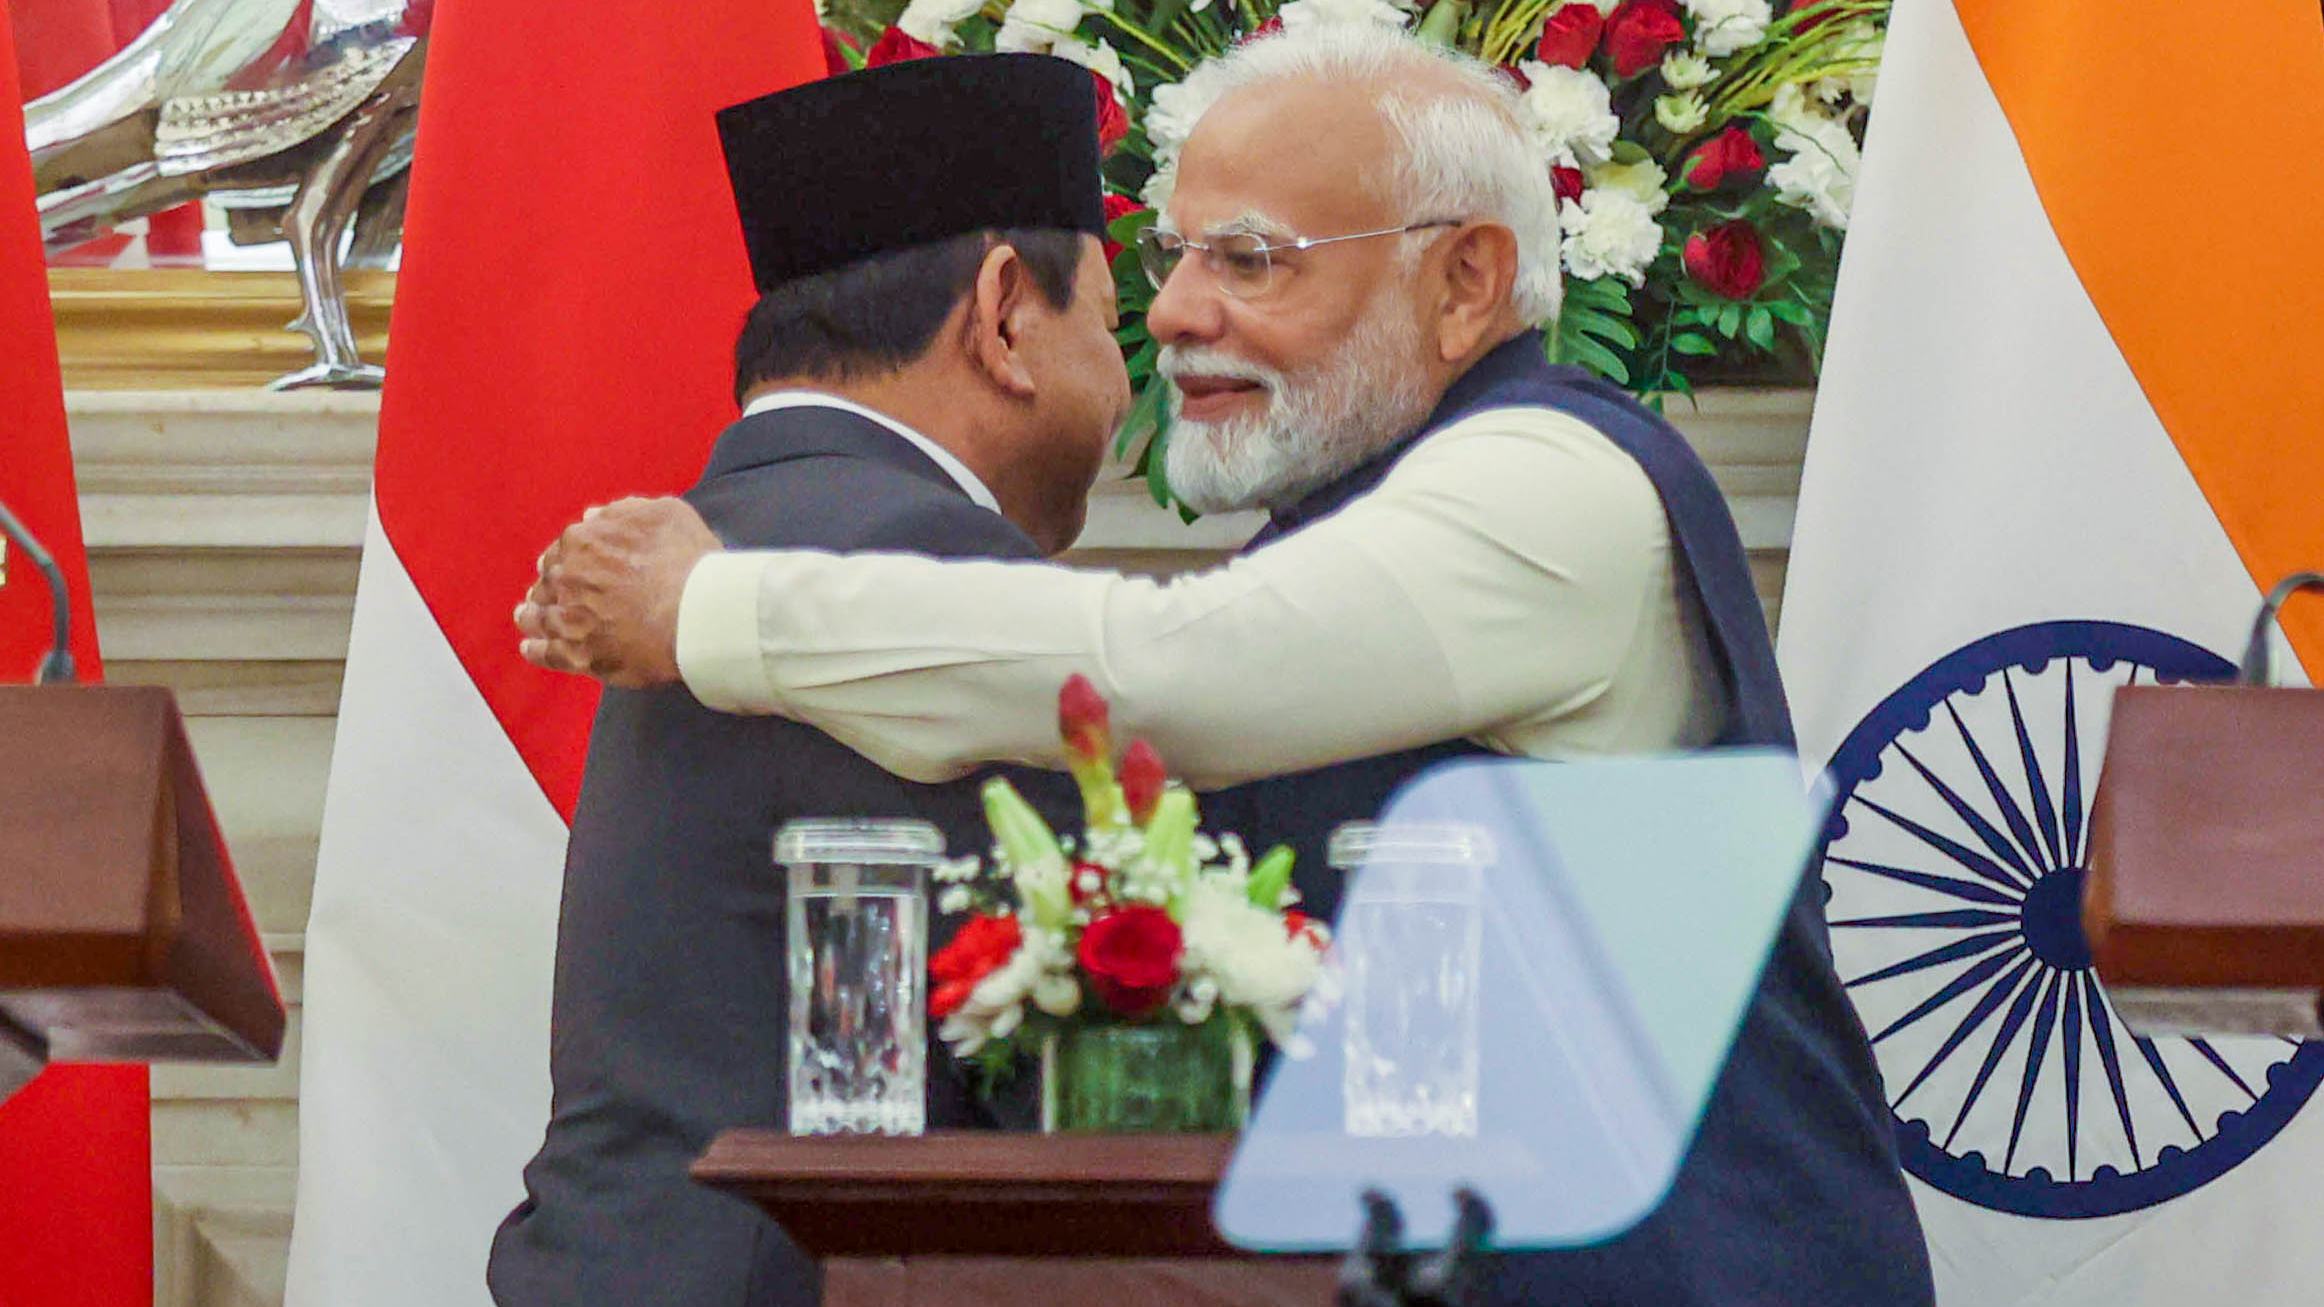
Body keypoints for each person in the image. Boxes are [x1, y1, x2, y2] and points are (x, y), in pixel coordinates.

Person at [518, 26, 1935, 1305]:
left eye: (1250, 259)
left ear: (1466, 281)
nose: (1177, 314)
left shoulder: (1552, 476)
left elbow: (1168, 675)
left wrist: (712, 605)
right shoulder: (1355, 533)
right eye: (1172, 259)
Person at [485, 54, 1127, 1307]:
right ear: (1003, 313)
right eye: (1103, 323)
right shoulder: (923, 552)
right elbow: (1053, 1052)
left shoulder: (731, 524)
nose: (1118, 382)